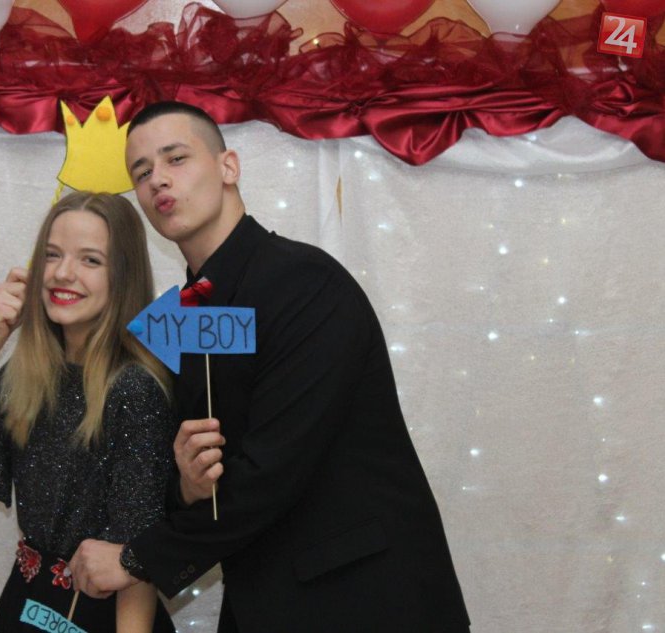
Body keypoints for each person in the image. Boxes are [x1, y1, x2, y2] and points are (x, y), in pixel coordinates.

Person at [68, 102, 472, 632]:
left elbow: (274, 468)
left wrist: (135, 559)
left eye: (176, 158)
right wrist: (187, 485)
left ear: (228, 167)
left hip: (367, 601)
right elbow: (192, 469)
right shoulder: (177, 317)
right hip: (263, 601)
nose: (158, 180)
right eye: (141, 172)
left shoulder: (305, 283)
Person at [0, 191, 177, 633]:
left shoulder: (133, 388)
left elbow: (136, 548)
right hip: (28, 599)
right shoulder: (33, 372)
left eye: (90, 260)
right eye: (52, 255)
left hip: (100, 615)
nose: (62, 273)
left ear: (123, 275)